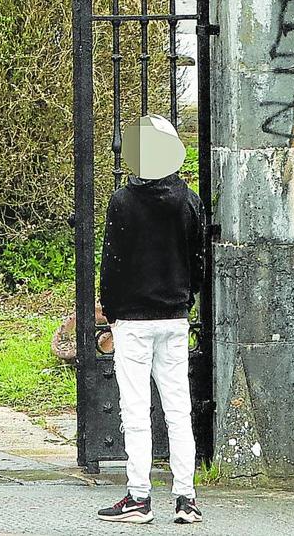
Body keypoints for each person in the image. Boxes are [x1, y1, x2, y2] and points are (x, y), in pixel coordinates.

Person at [96, 114, 205, 525]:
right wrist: (187, 298)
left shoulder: (123, 201)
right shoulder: (188, 200)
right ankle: (186, 498)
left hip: (134, 321)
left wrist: (111, 311)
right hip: (174, 316)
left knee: (136, 410)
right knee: (178, 408)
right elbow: (198, 260)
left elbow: (113, 264)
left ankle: (139, 497)